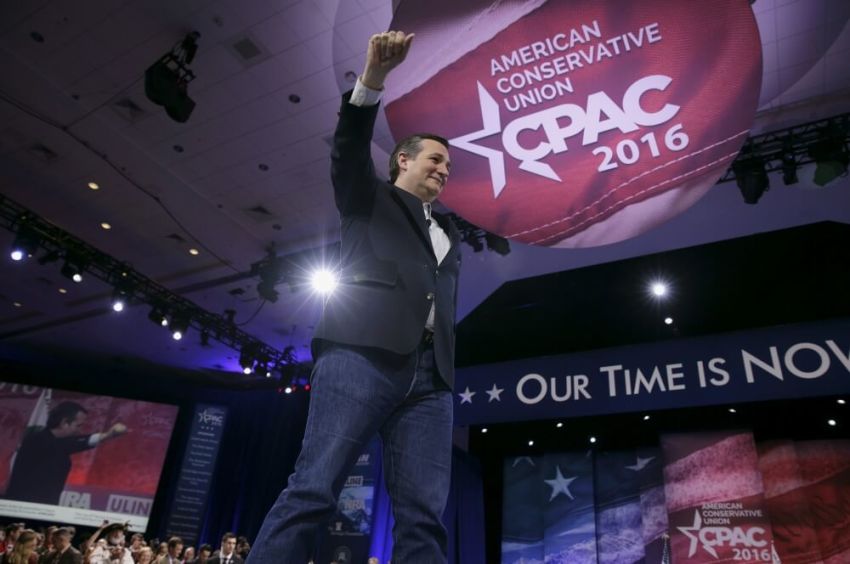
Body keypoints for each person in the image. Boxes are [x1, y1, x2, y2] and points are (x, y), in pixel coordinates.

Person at [247, 30, 460, 564]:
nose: (443, 169)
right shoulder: (369, 198)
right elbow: (347, 148)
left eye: (448, 166)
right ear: (402, 161)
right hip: (360, 355)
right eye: (434, 158)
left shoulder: (450, 233)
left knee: (424, 517)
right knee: (314, 489)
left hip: (431, 377)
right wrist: (372, 79)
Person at [4, 401, 128, 505]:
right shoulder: (39, 440)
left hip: (41, 507)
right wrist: (108, 435)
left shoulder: (56, 443)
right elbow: (71, 443)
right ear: (64, 423)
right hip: (22, 507)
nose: (80, 430)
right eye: (78, 425)